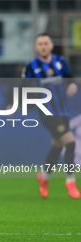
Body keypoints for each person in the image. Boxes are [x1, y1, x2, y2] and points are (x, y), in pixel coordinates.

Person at [22, 33, 79, 199]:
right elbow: (22, 87)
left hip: (63, 112)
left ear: (51, 46)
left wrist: (73, 85)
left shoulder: (60, 62)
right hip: (47, 113)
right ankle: (70, 181)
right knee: (70, 142)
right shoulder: (31, 66)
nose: (43, 46)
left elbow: (70, 79)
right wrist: (14, 104)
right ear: (36, 47)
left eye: (46, 43)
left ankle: (44, 177)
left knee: (57, 146)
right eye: (40, 44)